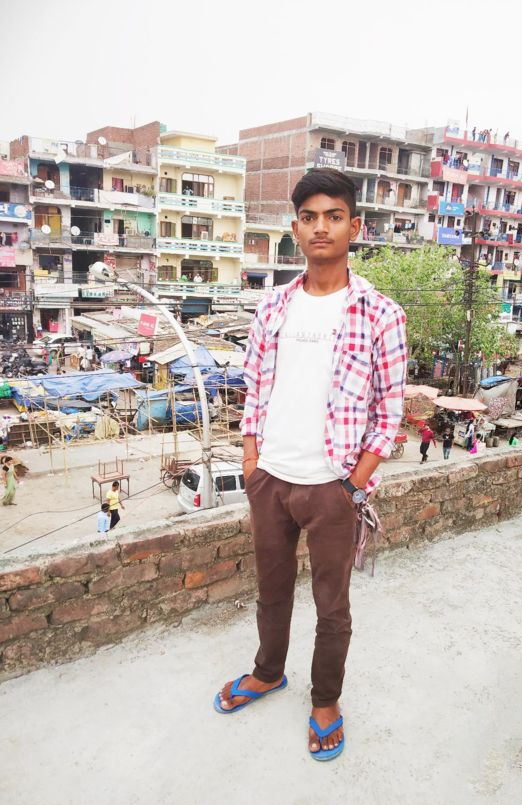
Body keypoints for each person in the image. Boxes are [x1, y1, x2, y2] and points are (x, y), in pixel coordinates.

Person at [214, 168, 407, 762]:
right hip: (270, 479)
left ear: (355, 226)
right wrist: (252, 461)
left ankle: (326, 700)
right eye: (309, 217)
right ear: (295, 228)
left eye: (334, 216)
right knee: (271, 591)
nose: (321, 227)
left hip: (333, 487)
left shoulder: (380, 313)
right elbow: (254, 388)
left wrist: (353, 483)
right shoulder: (272, 305)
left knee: (332, 605)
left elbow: (389, 411)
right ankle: (268, 672)